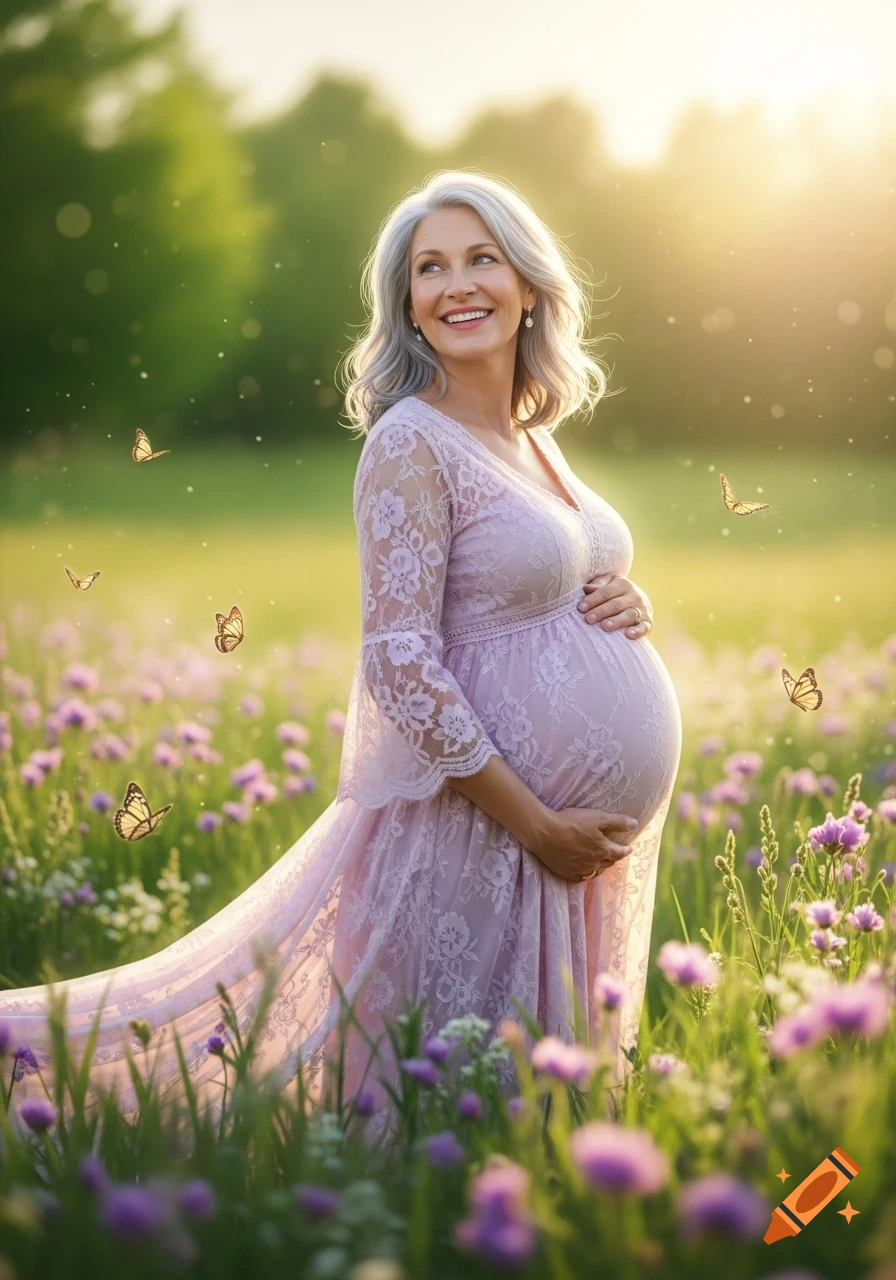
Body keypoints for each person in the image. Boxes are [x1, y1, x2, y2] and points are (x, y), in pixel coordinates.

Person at [0, 171, 681, 1142]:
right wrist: (533, 823)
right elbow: (399, 660)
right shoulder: (411, 440)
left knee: (528, 1111)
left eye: (479, 258)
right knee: (433, 1110)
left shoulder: (531, 436)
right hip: (484, 831)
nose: (456, 284)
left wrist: (620, 595)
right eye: (428, 268)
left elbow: (536, 582)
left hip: (558, 844)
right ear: (404, 304)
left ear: (528, 283)